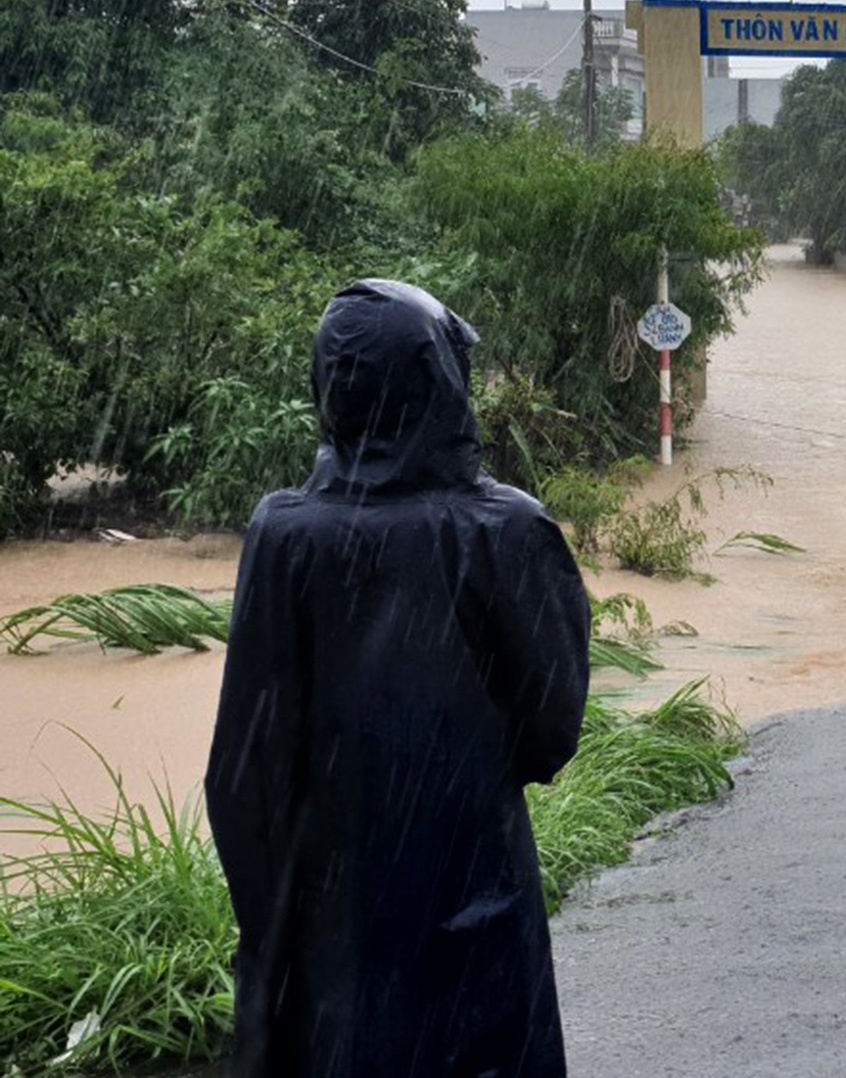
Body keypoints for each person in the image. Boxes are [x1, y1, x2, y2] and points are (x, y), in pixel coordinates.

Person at [206, 279, 590, 1078]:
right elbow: (552, 730)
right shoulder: (506, 530)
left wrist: (279, 919)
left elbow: (245, 765)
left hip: (332, 906)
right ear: (444, 382)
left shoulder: (283, 534)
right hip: (476, 880)